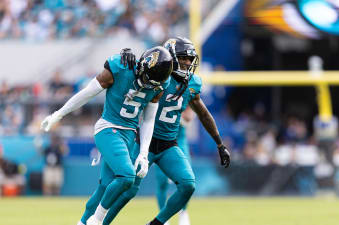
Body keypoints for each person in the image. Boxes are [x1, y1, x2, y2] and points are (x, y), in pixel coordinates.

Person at [103, 37, 231, 225]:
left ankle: (156, 224)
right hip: (143, 141)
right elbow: (136, 69)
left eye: (189, 59)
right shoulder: (157, 74)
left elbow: (204, 114)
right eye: (183, 58)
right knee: (128, 189)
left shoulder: (192, 84)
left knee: (188, 185)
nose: (188, 63)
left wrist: (220, 144)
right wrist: (125, 53)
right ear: (170, 57)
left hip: (168, 144)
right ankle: (100, 222)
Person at [40, 46, 173, 225]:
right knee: (126, 176)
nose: (149, 85)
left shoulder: (160, 83)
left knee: (105, 187)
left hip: (130, 136)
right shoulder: (121, 68)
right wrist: (59, 113)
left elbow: (149, 120)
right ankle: (97, 220)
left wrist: (143, 153)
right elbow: (88, 93)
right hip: (108, 128)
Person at [154, 107, 195, 225]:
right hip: (161, 141)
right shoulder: (160, 90)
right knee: (162, 182)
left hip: (179, 141)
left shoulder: (185, 91)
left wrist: (174, 114)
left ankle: (183, 212)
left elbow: (189, 117)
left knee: (187, 180)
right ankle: (163, 217)